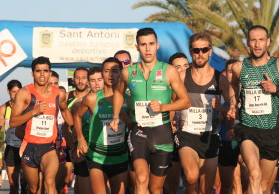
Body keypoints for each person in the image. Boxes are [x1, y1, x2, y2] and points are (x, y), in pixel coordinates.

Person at [110, 27, 191, 194]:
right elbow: (118, 93)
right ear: (137, 47)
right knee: (141, 179)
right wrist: (115, 116)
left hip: (163, 133)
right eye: (143, 44)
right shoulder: (128, 72)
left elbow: (186, 101)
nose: (147, 49)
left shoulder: (169, 71)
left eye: (151, 44)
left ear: (157, 45)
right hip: (139, 133)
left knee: (156, 188)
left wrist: (163, 107)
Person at [227, 25, 279, 194]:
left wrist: (277, 90)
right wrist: (232, 104)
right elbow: (233, 86)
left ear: (268, 42)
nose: (257, 44)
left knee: (263, 188)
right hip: (248, 130)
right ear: (248, 44)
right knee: (254, 173)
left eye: (261, 40)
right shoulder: (239, 67)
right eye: (253, 40)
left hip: (272, 132)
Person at [175, 31, 230, 194]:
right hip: (186, 134)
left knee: (207, 188)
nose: (200, 54)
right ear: (191, 52)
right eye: (196, 50)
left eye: (204, 49)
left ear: (210, 51)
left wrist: (222, 109)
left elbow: (232, 109)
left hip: (210, 137)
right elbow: (171, 102)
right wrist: (171, 119)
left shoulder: (220, 79)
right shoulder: (182, 76)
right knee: (191, 177)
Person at [9, 56, 73, 194]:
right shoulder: (24, 93)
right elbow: (13, 122)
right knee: (33, 188)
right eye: (38, 71)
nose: (42, 74)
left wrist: (76, 131)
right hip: (29, 146)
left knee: (50, 182)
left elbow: (65, 110)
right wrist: (34, 112)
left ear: (50, 73)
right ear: (33, 73)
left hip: (49, 147)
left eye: (45, 71)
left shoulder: (58, 94)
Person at [75, 58, 131, 194]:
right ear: (102, 73)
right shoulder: (92, 98)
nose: (111, 75)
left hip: (120, 156)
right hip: (97, 156)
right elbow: (77, 116)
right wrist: (81, 139)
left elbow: (135, 126)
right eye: (107, 71)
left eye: (115, 71)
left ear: (121, 73)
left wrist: (127, 120)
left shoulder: (128, 99)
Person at [164, 52, 190, 194]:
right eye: (178, 67)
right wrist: (169, 123)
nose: (183, 70)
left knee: (192, 180)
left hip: (193, 137)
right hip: (172, 138)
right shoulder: (166, 89)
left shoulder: (198, 85)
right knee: (172, 185)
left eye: (186, 66)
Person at [63, 67, 91, 194]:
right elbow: (65, 127)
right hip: (71, 144)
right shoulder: (66, 97)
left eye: (84, 78)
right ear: (73, 79)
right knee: (76, 179)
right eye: (78, 78)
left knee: (85, 179)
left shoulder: (93, 96)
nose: (80, 81)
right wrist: (72, 148)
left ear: (88, 80)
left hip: (91, 144)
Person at [0, 80, 26, 193]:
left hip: (25, 148)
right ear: (8, 92)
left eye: (18, 92)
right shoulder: (4, 108)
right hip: (11, 148)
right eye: (13, 92)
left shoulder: (27, 106)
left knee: (26, 184)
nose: (16, 94)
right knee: (13, 185)